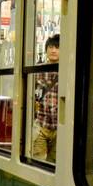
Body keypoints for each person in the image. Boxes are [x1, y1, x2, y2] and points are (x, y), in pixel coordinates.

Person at [31, 35, 59, 163]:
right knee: (38, 164)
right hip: (41, 125)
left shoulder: (69, 70)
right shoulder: (38, 69)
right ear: (46, 49)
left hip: (59, 127)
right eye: (51, 47)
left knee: (55, 165)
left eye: (57, 47)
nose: (53, 50)